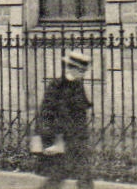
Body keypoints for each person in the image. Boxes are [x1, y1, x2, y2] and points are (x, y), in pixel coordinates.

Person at [35, 50, 94, 189]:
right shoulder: (56, 86)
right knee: (57, 177)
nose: (83, 73)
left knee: (84, 175)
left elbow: (81, 112)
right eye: (80, 70)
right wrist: (49, 141)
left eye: (84, 70)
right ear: (71, 68)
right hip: (60, 138)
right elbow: (46, 114)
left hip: (78, 139)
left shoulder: (78, 86)